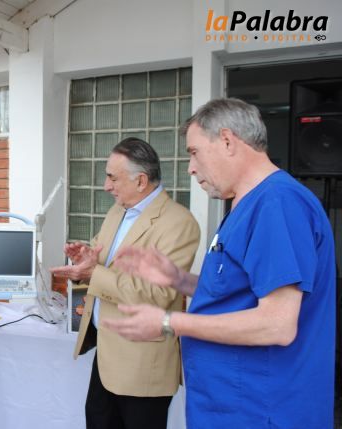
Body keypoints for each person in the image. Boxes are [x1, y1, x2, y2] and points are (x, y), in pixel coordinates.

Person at [103, 98, 336, 429]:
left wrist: (169, 321)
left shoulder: (278, 203)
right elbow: (240, 293)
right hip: (230, 406)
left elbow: (277, 324)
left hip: (262, 410)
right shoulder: (247, 204)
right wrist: (177, 279)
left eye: (194, 152)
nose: (190, 167)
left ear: (227, 141)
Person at [51, 138, 200, 429]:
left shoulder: (179, 223)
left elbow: (157, 295)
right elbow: (100, 256)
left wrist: (93, 273)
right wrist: (84, 258)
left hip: (142, 364)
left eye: (112, 177)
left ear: (141, 180)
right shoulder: (117, 211)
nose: (106, 186)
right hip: (106, 357)